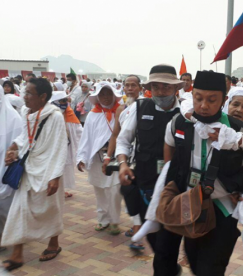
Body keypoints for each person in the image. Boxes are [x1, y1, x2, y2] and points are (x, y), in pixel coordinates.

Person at [155, 71, 243, 275]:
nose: (204, 105)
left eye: (212, 100)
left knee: (211, 268)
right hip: (190, 204)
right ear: (192, 95)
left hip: (222, 208)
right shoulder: (180, 122)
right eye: (198, 98)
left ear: (223, 99)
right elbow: (169, 146)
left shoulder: (237, 128)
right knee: (194, 261)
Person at [116, 64, 183, 261]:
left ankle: (167, 265)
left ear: (176, 89)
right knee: (154, 239)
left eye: (166, 87)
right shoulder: (138, 108)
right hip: (146, 184)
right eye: (156, 87)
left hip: (176, 186)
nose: (161, 92)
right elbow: (123, 140)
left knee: (169, 239)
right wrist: (122, 163)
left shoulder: (187, 112)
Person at [2, 78, 68, 271]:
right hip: (28, 168)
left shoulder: (55, 116)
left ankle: (54, 243)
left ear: (43, 97)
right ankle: (17, 254)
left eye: (29, 93)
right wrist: (14, 147)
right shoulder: (25, 112)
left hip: (49, 169)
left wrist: (55, 176)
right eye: (25, 92)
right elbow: (25, 136)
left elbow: (59, 146)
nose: (25, 96)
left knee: (51, 208)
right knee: (19, 209)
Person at [76, 82, 123, 235]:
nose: (106, 97)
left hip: (116, 158)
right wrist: (81, 157)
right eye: (102, 94)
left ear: (114, 95)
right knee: (100, 191)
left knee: (115, 191)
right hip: (97, 159)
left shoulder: (122, 112)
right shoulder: (92, 114)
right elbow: (86, 137)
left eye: (109, 94)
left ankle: (115, 220)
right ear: (97, 96)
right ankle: (103, 219)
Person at [103, 75, 143, 250]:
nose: (130, 88)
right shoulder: (121, 109)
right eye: (127, 85)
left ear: (140, 88)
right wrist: (108, 156)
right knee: (127, 190)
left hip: (141, 157)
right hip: (125, 156)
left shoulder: (145, 106)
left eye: (133, 85)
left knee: (136, 191)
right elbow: (116, 135)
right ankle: (137, 225)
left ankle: (138, 231)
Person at [0, 86, 23, 253]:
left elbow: (20, 146)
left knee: (8, 207)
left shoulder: (14, 119)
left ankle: (12, 237)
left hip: (5, 170)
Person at [50, 92, 83, 199]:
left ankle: (61, 190)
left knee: (63, 168)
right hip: (52, 148)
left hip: (65, 148)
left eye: (66, 100)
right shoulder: (49, 114)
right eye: (62, 101)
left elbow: (79, 131)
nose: (65, 103)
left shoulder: (69, 113)